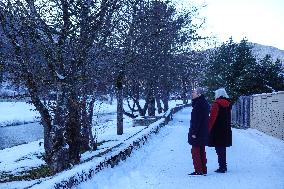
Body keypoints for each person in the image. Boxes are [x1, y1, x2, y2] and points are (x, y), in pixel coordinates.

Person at [208, 88, 232, 173]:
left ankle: (222, 167)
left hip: (217, 129)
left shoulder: (216, 104)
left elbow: (212, 118)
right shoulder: (228, 103)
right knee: (223, 149)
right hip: (226, 128)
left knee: (219, 149)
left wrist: (208, 128)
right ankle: (223, 166)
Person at [188, 87, 210, 175]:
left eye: (194, 92)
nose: (192, 94)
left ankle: (198, 170)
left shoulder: (199, 104)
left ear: (199, 94)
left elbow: (197, 120)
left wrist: (194, 132)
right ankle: (203, 169)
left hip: (198, 132)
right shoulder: (203, 102)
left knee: (195, 151)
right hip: (202, 131)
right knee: (201, 150)